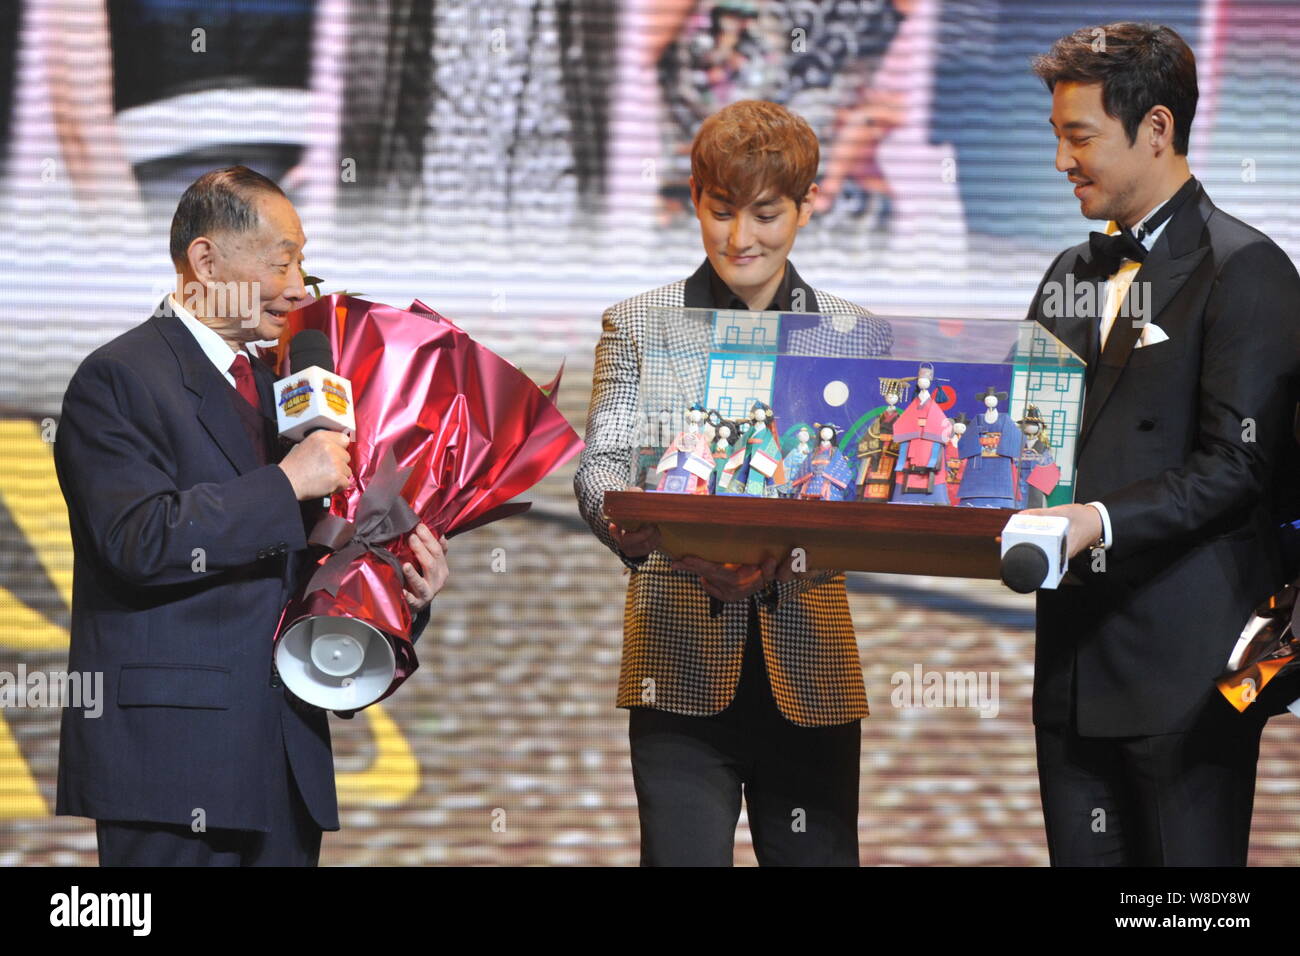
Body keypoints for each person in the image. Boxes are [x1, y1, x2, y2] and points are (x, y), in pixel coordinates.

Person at [53, 166, 449, 866]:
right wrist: (286, 481)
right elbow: (136, 540)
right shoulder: (119, 376)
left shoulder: (287, 393)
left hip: (284, 764)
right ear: (207, 261)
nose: (300, 286)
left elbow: (308, 572)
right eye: (282, 260)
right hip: (173, 768)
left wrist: (397, 589)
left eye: (302, 262)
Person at [574, 100, 892, 866]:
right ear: (694, 199)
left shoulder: (859, 336)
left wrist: (806, 552)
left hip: (810, 666)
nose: (740, 238)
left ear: (808, 205)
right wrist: (634, 530)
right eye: (721, 212)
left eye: (766, 214)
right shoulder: (638, 324)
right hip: (675, 664)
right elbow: (602, 467)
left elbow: (872, 496)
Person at [1022, 23, 1300, 866]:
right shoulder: (1072, 270)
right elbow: (1021, 428)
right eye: (1057, 138)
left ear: (1156, 129)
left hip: (1187, 676)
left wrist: (1095, 520)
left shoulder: (1246, 270)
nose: (1064, 161)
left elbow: (1239, 464)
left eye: (1081, 137)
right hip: (1071, 664)